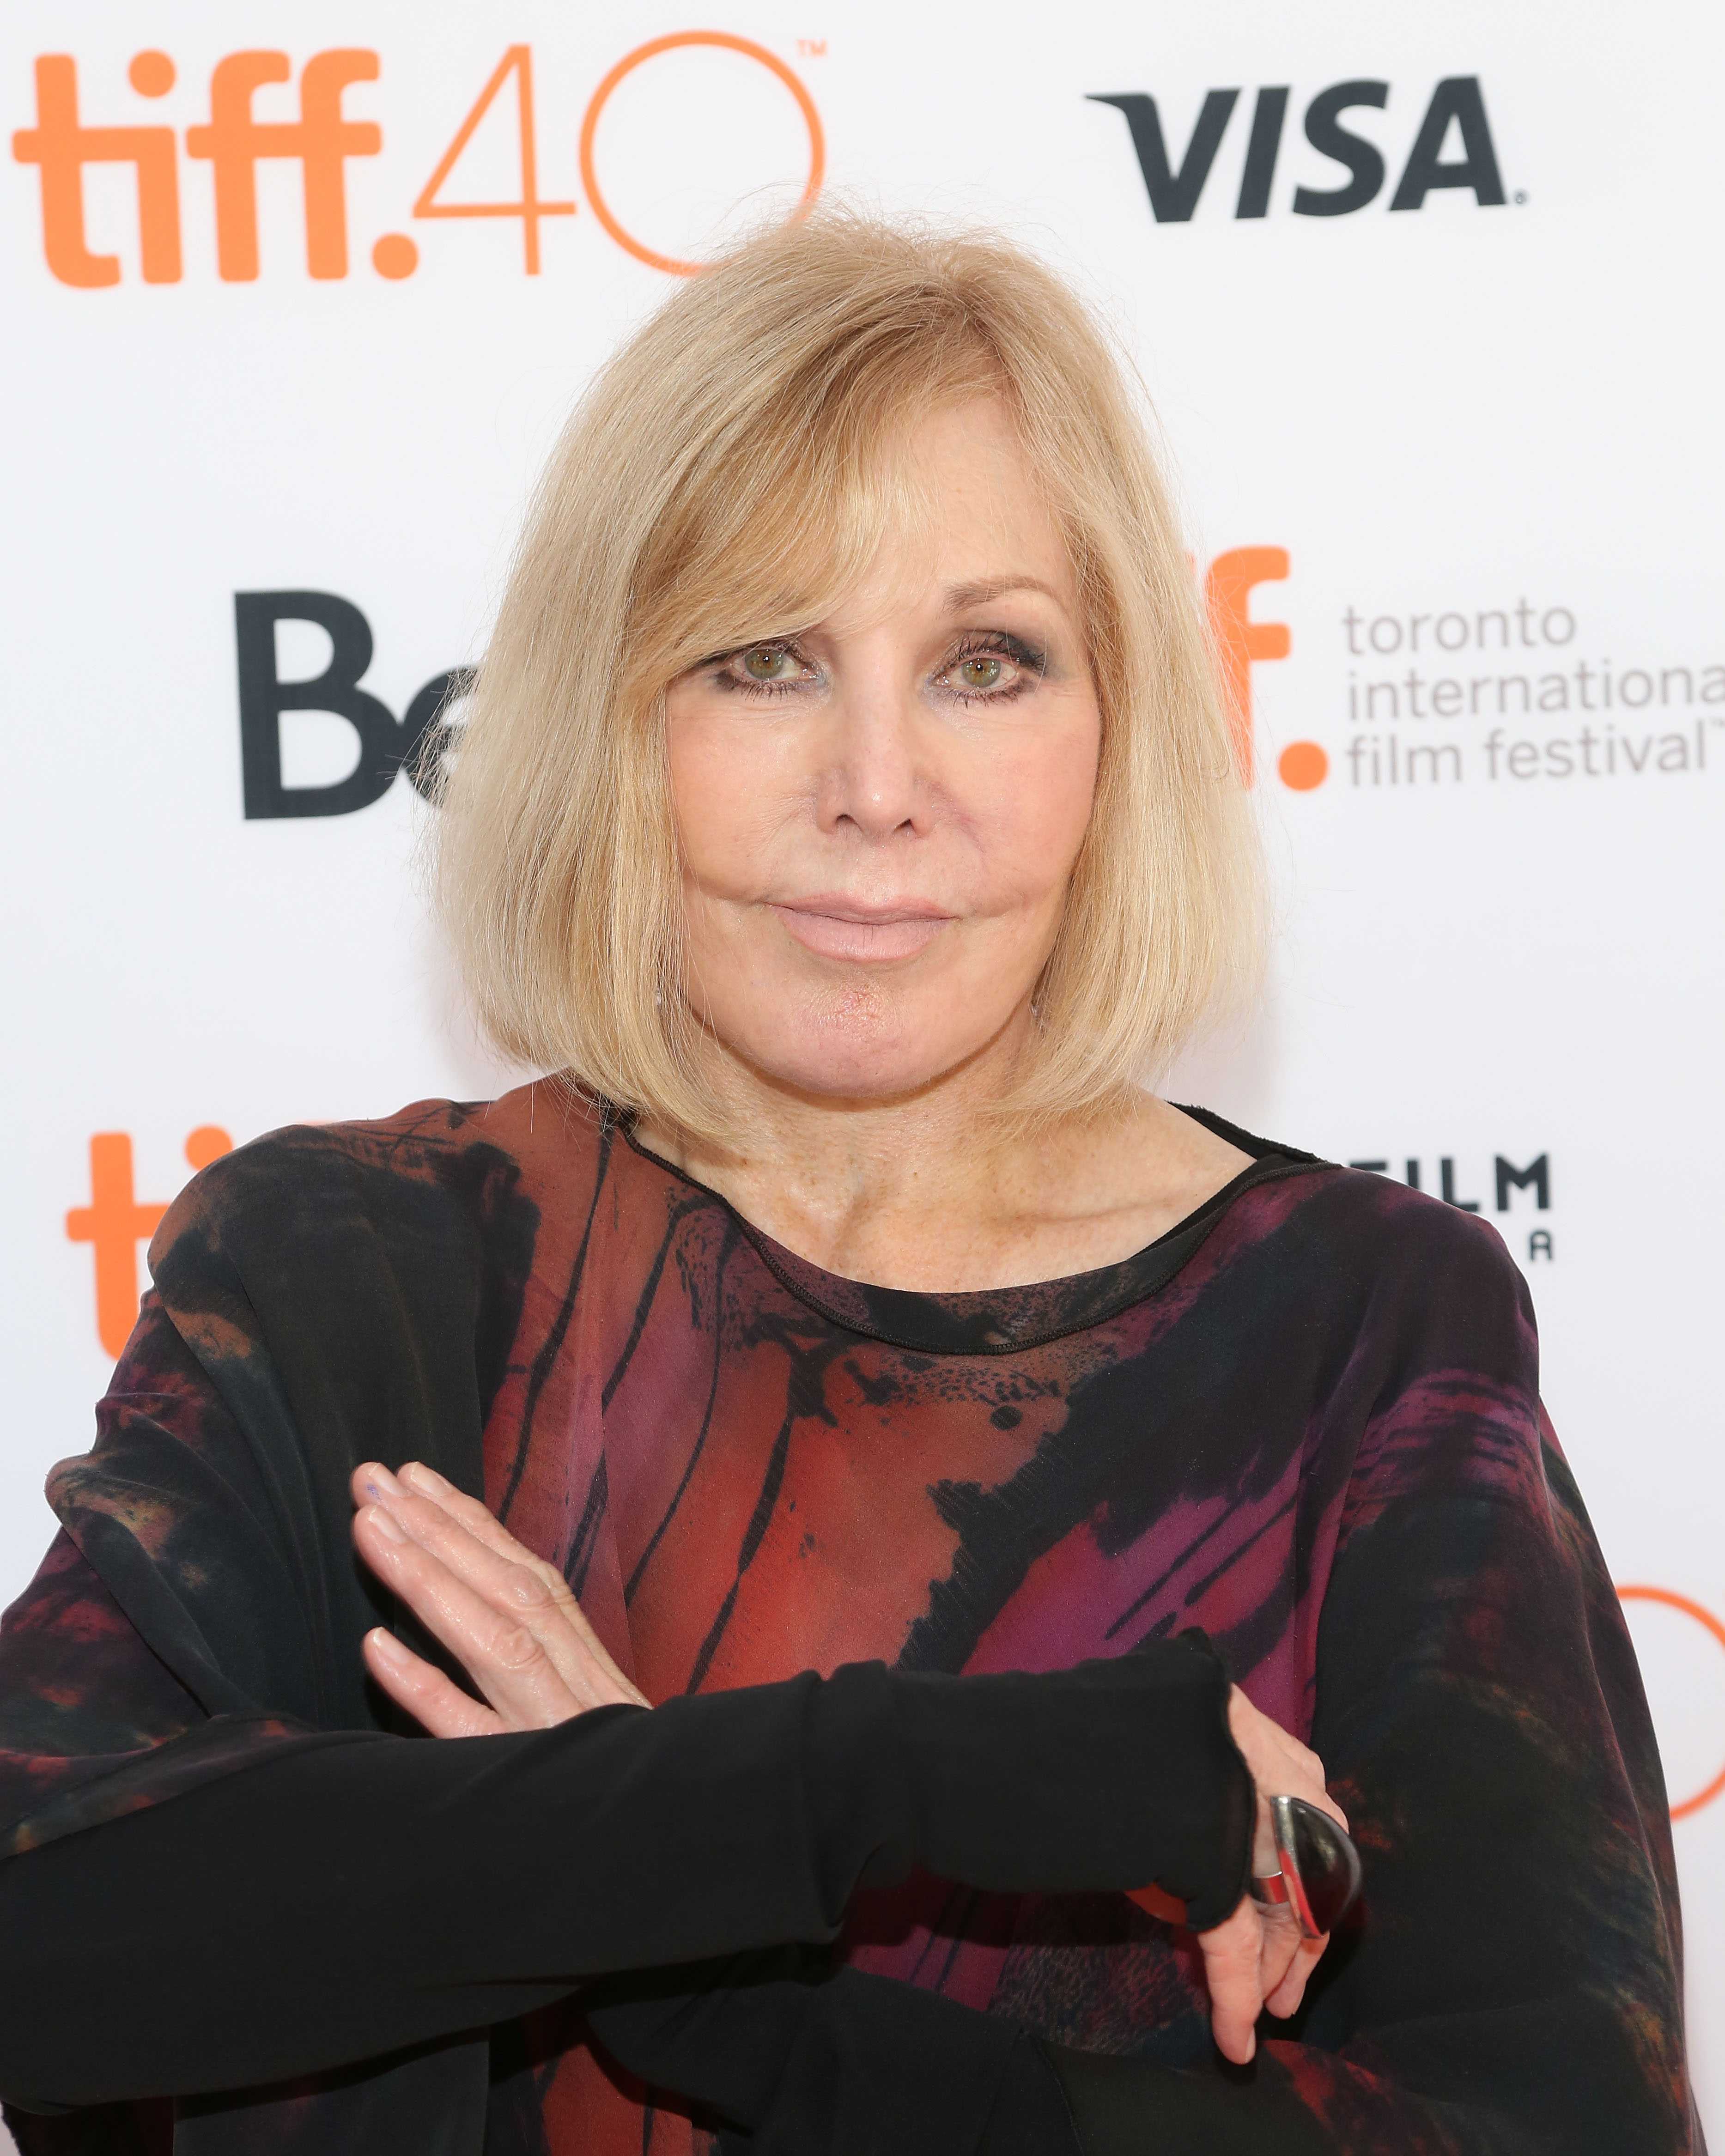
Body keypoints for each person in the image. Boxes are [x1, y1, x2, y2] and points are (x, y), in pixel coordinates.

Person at [0, 213, 1699, 2156]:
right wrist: (901, 1783)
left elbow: (1550, 2132)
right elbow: (47, 1922)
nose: (878, 782)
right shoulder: (369, 1275)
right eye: (762, 659)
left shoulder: (1356, 1328)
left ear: (1115, 734)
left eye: (987, 661)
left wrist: (717, 1975)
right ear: (608, 722)